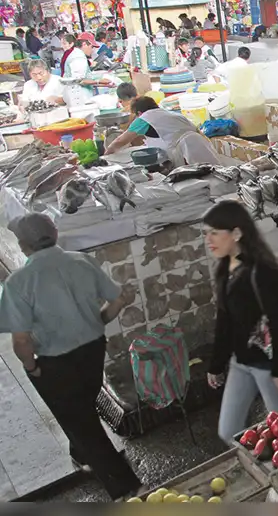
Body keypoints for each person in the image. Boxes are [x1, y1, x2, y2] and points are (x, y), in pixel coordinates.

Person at [0, 213, 142, 500]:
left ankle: (127, 487)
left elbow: (21, 340)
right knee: (82, 406)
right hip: (92, 349)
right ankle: (81, 454)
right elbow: (117, 301)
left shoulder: (18, 283)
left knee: (82, 422)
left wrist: (31, 366)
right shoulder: (82, 261)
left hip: (55, 363)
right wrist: (96, 320)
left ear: (24, 246)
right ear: (54, 235)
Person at [203, 201, 278, 443]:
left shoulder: (262, 271)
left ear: (236, 233)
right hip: (240, 363)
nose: (208, 240)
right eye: (206, 233)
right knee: (228, 432)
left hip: (268, 366)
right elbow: (224, 320)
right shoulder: (225, 269)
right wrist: (216, 364)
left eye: (215, 233)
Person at [103, 96, 219, 164]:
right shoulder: (172, 114)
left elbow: (120, 141)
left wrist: (107, 154)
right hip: (202, 146)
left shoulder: (144, 118)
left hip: (184, 152)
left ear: (139, 113)